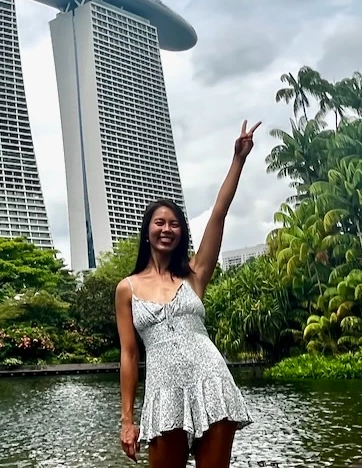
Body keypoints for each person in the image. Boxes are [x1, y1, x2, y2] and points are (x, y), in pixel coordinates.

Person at [115, 120, 260, 467]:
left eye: (175, 223)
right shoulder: (127, 288)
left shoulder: (195, 275)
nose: (167, 229)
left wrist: (237, 160)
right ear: (147, 232)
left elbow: (218, 216)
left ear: (181, 233)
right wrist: (127, 419)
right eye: (160, 223)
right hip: (163, 393)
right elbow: (129, 355)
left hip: (211, 380)